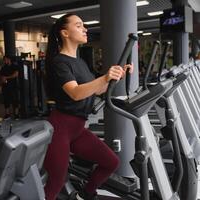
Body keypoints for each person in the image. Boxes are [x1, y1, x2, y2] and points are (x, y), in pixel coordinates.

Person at [43, 13, 134, 200]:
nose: (85, 29)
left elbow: (96, 90)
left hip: (77, 129)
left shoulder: (80, 62)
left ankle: (88, 192)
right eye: (78, 25)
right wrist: (105, 76)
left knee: (111, 162)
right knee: (56, 182)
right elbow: (75, 93)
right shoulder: (59, 62)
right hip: (60, 129)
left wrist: (118, 75)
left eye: (83, 25)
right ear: (65, 33)